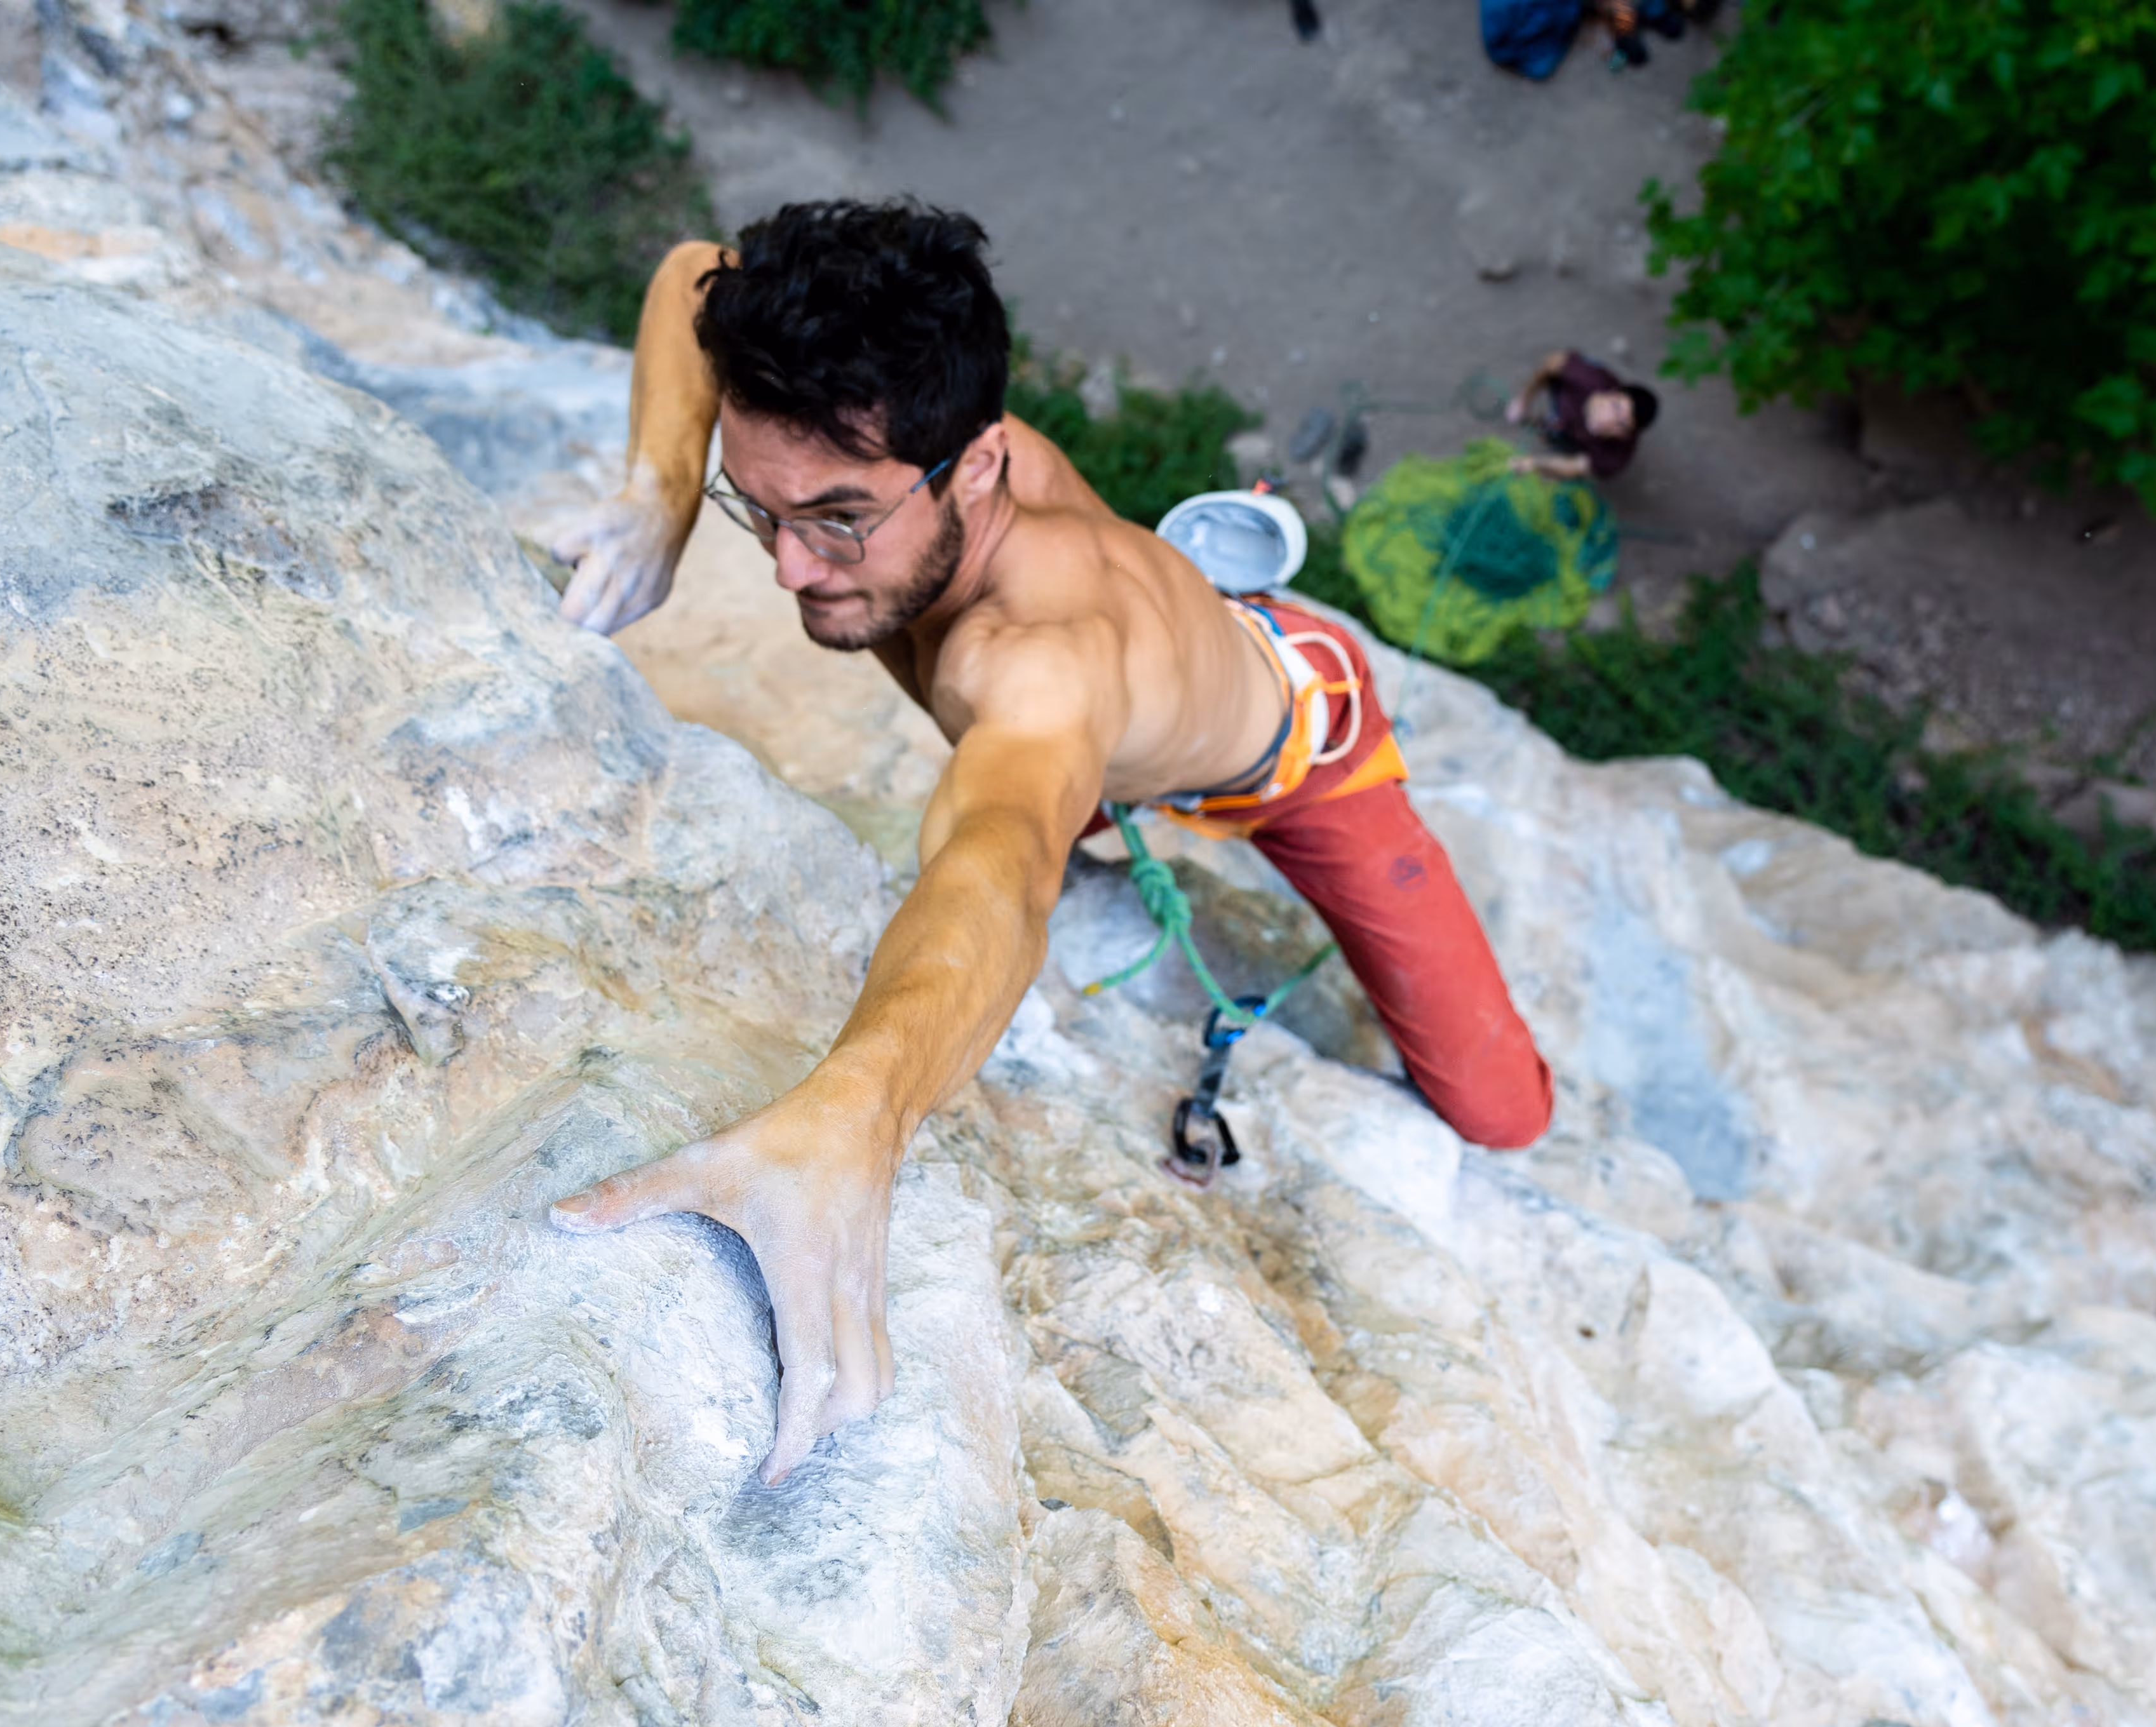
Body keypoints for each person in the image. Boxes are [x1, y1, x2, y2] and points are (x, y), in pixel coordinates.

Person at [541, 201, 1554, 1484]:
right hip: (1110, 682)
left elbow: (998, 868)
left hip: (1298, 747)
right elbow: (693, 275)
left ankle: (1214, 678)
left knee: (1497, 1109)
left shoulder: (1034, 664)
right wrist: (664, 494)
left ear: (977, 465)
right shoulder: (905, 431)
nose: (792, 571)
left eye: (838, 520)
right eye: (763, 513)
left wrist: (855, 1109)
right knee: (1028, 753)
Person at [1504, 348, 1659, 481]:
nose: (1606, 421)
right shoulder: (1585, 377)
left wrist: (1534, 464)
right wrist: (1524, 399)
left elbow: (1574, 467)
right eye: (1615, 407)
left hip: (1576, 437)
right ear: (1612, 392)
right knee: (1554, 420)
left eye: (1621, 425)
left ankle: (1552, 430)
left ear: (1626, 436)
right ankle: (1549, 424)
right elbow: (1550, 364)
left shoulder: (1615, 458)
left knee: (1557, 437)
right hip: (1563, 396)